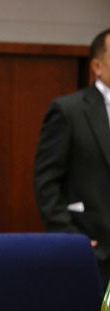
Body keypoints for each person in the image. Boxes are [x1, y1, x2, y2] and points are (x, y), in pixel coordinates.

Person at [34, 28, 110, 288]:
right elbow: (46, 183)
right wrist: (72, 239)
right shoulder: (69, 111)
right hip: (94, 251)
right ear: (97, 66)